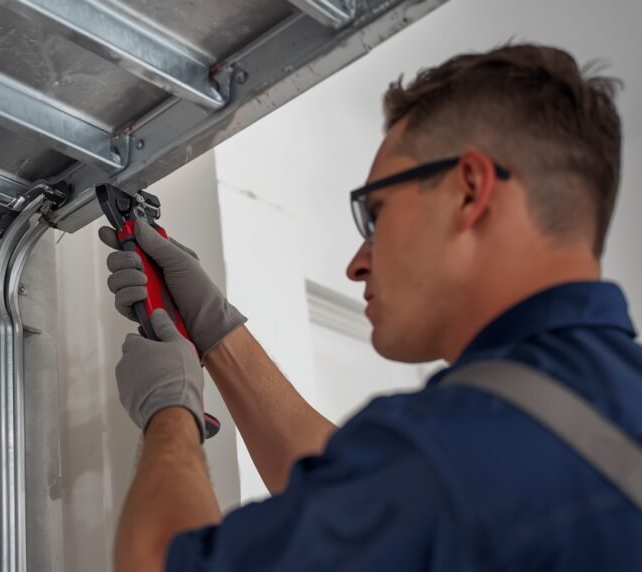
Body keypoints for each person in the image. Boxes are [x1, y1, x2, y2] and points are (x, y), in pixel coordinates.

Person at [98, 44, 642, 571]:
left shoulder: (456, 451)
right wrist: (216, 334)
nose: (357, 265)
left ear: (469, 191)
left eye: (375, 213)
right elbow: (364, 495)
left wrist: (169, 410)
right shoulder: (592, 410)